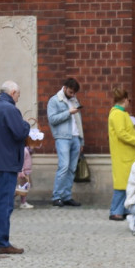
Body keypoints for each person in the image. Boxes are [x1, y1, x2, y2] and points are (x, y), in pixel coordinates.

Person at [0, 81, 30, 254]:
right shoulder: (10, 109)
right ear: (13, 92)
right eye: (18, 95)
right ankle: (2, 243)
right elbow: (20, 132)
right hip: (6, 162)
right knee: (4, 203)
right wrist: (26, 125)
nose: (18, 98)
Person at [107, 87, 135, 221]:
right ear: (124, 100)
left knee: (126, 183)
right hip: (123, 153)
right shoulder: (117, 114)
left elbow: (125, 132)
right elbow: (122, 133)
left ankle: (121, 210)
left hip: (126, 153)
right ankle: (115, 211)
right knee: (122, 184)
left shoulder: (119, 113)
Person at [46, 78, 84, 207]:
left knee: (72, 168)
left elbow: (78, 121)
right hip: (62, 137)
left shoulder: (74, 100)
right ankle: (56, 196)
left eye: (74, 93)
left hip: (75, 137)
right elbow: (52, 119)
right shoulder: (54, 100)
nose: (73, 94)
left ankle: (67, 196)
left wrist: (81, 140)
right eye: (71, 92)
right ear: (65, 87)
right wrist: (68, 112)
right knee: (64, 167)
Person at [14, 144, 33, 209]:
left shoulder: (25, 149)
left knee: (24, 189)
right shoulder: (23, 150)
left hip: (26, 171)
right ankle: (22, 202)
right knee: (19, 189)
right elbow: (20, 161)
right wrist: (21, 171)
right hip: (23, 172)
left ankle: (23, 202)